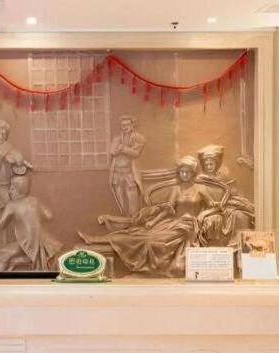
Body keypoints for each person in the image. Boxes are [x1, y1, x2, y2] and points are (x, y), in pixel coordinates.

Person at [81, 156, 217, 277]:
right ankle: (94, 240)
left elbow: (215, 207)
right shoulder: (176, 189)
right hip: (172, 223)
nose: (184, 174)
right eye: (182, 172)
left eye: (187, 172)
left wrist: (203, 214)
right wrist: (154, 222)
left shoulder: (200, 189)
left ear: (193, 172)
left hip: (187, 227)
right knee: (137, 234)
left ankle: (150, 267)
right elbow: (168, 210)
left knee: (150, 241)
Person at [0, 175, 61, 271]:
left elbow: (0, 224)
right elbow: (49, 216)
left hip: (26, 242)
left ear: (18, 189)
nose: (9, 191)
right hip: (44, 242)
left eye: (12, 188)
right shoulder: (35, 201)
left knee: (4, 253)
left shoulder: (12, 205)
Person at [195, 144, 254, 246]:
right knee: (213, 220)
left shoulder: (222, 178)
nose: (209, 167)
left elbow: (228, 193)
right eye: (206, 164)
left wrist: (229, 195)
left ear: (216, 164)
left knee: (240, 215)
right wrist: (207, 211)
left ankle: (239, 245)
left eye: (211, 164)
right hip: (209, 208)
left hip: (224, 207)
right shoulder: (200, 180)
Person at [109, 115, 146, 217]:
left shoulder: (139, 138)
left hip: (130, 171)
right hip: (117, 171)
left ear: (133, 125)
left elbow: (136, 153)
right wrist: (125, 149)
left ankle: (134, 216)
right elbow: (112, 151)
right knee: (119, 193)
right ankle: (123, 215)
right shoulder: (117, 138)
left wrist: (123, 149)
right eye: (123, 125)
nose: (124, 127)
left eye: (127, 124)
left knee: (132, 193)